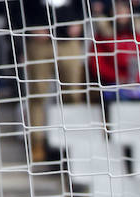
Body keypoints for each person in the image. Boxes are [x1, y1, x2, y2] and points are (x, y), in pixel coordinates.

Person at [11, 0, 88, 163]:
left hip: (68, 42)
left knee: (73, 94)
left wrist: (80, 21)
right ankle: (37, 143)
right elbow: (16, 9)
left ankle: (71, 142)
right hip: (40, 43)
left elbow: (85, 5)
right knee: (38, 94)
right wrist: (31, 26)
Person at [89, 0, 140, 102]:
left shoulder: (138, 36)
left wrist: (135, 80)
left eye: (124, 10)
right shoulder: (102, 37)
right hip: (111, 83)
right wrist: (119, 78)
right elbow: (97, 64)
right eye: (117, 10)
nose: (121, 14)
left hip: (137, 84)